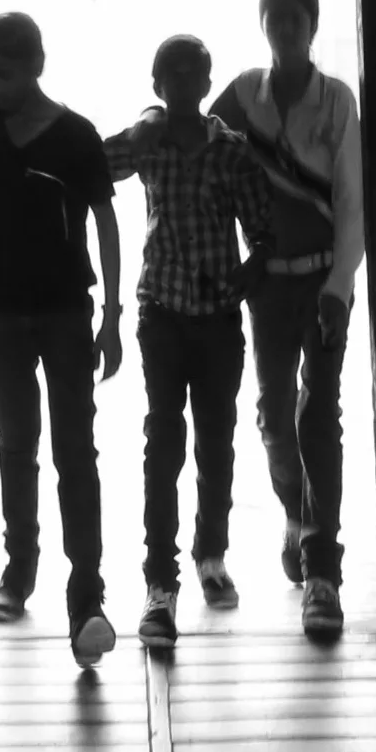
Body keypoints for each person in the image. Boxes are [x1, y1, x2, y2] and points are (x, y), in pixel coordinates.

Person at [101, 35, 275, 651]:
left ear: (206, 84)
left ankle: (211, 553)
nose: (180, 85)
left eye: (191, 75)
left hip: (219, 318)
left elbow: (263, 229)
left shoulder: (230, 152)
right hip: (162, 313)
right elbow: (99, 166)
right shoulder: (150, 147)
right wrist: (141, 126)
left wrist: (250, 271)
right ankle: (159, 582)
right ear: (157, 86)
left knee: (217, 442)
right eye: (168, 77)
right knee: (163, 442)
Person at [208, 0, 364, 643]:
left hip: (323, 281)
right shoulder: (246, 96)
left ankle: (322, 572)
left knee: (318, 413)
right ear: (264, 27)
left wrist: (339, 287)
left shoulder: (336, 101)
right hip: (267, 286)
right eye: (274, 19)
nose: (285, 29)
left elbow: (352, 200)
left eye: (295, 19)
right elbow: (199, 141)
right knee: (275, 415)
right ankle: (298, 516)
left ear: (312, 27)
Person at [0, 10, 123, 663]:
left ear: (36, 65)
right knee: (15, 444)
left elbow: (106, 222)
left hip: (64, 313)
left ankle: (86, 595)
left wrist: (111, 314)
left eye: (6, 72)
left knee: (75, 451)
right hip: (3, 313)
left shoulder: (76, 136)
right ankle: (18, 570)